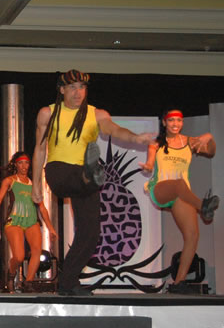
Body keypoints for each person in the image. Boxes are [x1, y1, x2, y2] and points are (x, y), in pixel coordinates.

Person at [32, 69, 155, 296]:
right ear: (61, 90)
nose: (78, 92)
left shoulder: (96, 114)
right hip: (59, 171)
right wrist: (36, 185)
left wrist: (136, 138)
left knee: (91, 234)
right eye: (72, 87)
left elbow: (115, 130)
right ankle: (91, 173)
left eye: (82, 87)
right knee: (81, 176)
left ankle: (67, 283)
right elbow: (40, 149)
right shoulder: (48, 113)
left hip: (85, 180)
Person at [139, 109, 218, 294]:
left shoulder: (189, 141)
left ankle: (178, 283)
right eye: (171, 120)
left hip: (182, 195)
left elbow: (211, 151)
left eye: (179, 121)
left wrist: (209, 136)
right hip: (160, 190)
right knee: (179, 184)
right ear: (165, 123)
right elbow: (150, 163)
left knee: (192, 236)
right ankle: (203, 206)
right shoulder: (156, 144)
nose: (175, 124)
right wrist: (148, 166)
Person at [0, 151, 57, 293]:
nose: (24, 166)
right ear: (16, 165)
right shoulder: (10, 181)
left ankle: (28, 282)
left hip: (31, 220)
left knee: (37, 250)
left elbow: (42, 208)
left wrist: (51, 228)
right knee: (19, 255)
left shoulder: (33, 184)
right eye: (20, 163)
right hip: (15, 220)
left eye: (26, 163)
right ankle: (11, 274)